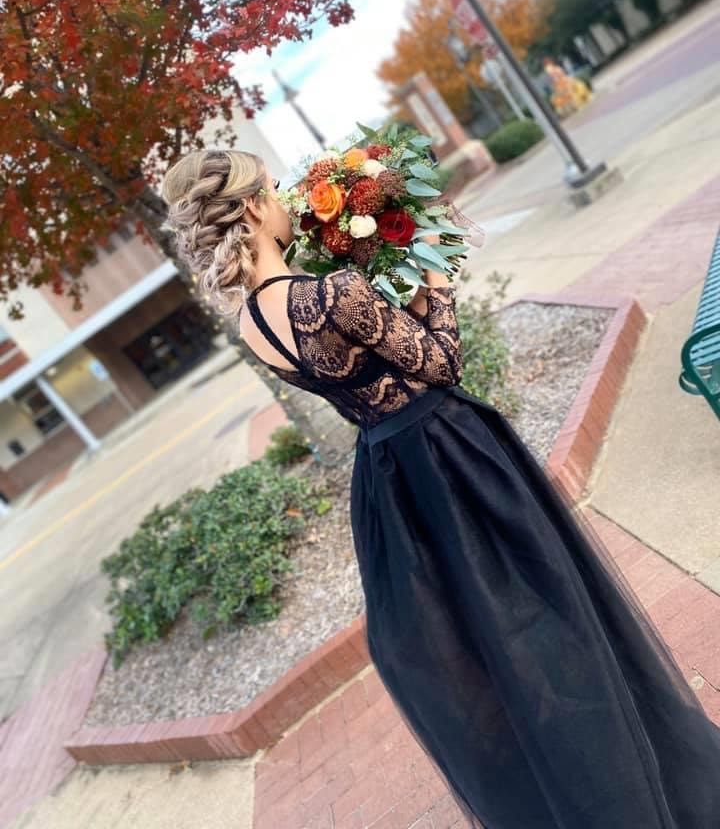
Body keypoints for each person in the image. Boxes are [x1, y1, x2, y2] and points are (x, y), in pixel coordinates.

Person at [161, 148, 720, 828]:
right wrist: (436, 278)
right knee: (552, 607)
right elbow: (442, 362)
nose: (283, 202)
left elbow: (368, 372)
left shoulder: (253, 323)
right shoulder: (332, 294)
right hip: (451, 455)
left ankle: (568, 786)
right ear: (251, 207)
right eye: (273, 191)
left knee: (490, 640)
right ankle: (638, 775)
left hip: (389, 483)